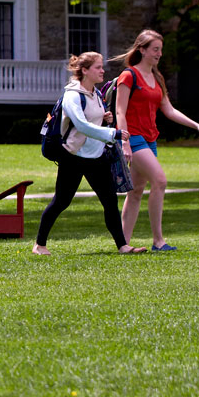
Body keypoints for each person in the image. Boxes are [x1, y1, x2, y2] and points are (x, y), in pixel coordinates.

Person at [33, 52, 147, 255]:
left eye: (102, 67)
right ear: (84, 70)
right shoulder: (72, 95)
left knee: (110, 201)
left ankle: (123, 246)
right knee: (61, 201)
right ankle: (39, 245)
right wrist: (115, 133)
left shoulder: (96, 94)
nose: (103, 70)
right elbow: (82, 126)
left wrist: (105, 118)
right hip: (73, 156)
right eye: (98, 67)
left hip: (96, 156)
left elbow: (92, 122)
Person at [112, 30, 199, 252]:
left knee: (137, 190)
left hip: (150, 139)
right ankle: (158, 241)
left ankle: (124, 244)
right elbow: (120, 111)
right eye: (155, 49)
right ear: (142, 50)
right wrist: (124, 141)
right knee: (160, 181)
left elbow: (168, 109)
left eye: (160, 49)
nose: (159, 54)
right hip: (134, 137)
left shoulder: (157, 77)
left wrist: (197, 125)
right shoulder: (129, 76)